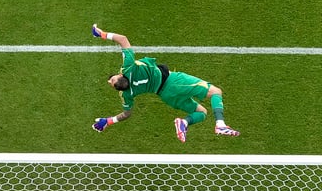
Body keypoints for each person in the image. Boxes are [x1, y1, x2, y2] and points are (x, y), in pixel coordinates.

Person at [91, 24, 240, 143]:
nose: (111, 81)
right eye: (112, 83)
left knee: (202, 113)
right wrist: (101, 34)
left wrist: (108, 121)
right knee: (216, 92)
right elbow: (123, 39)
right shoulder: (128, 69)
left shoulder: (127, 92)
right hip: (173, 82)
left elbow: (127, 113)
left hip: (166, 96)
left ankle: (184, 123)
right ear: (120, 78)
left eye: (111, 80)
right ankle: (220, 124)